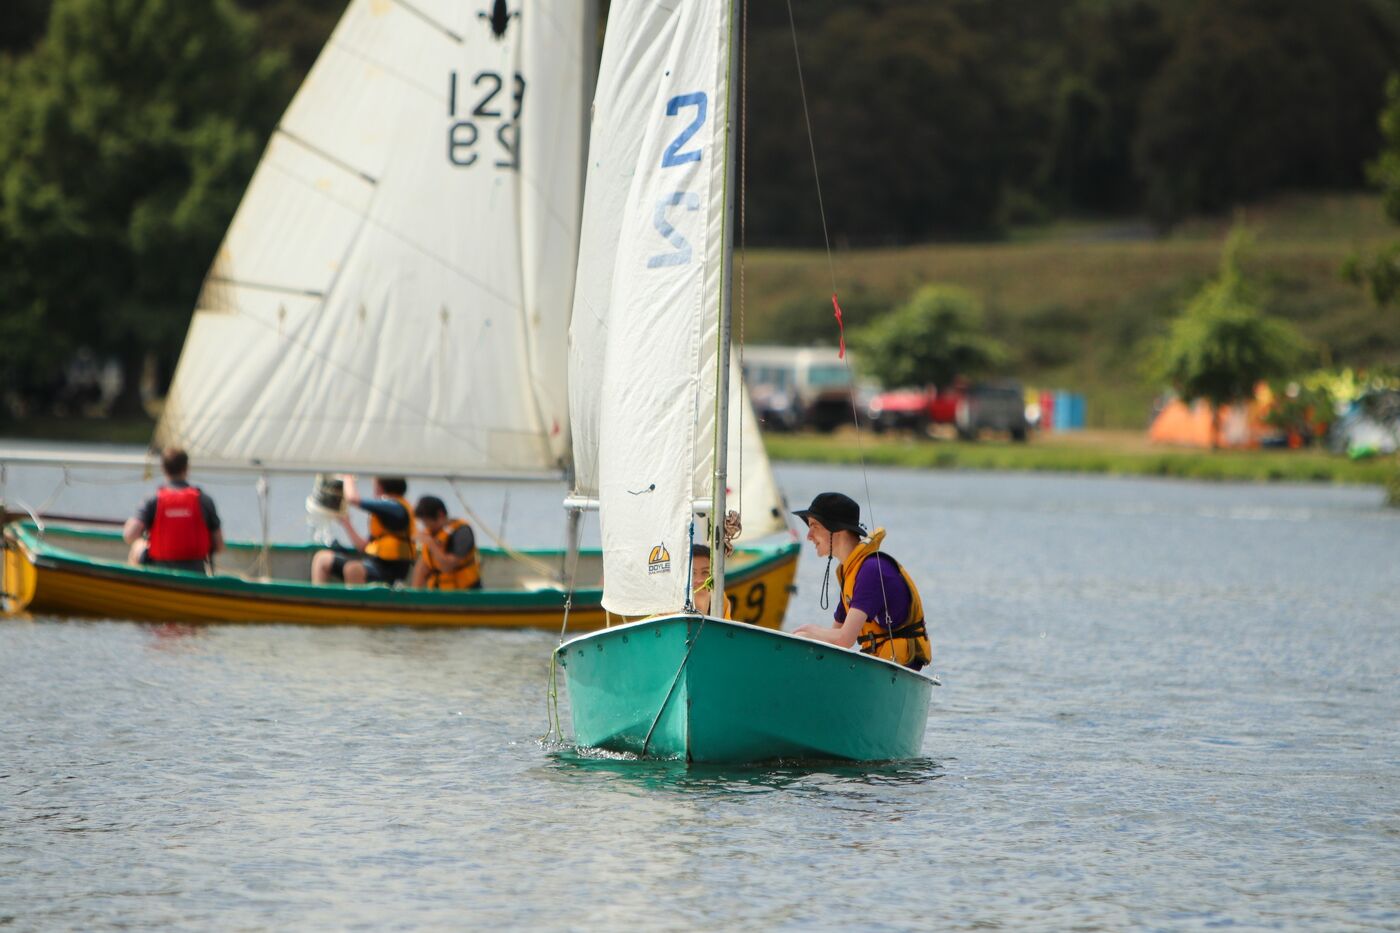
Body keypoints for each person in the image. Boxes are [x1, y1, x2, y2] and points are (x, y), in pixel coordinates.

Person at [790, 492, 931, 671]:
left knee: (803, 636)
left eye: (814, 526)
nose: (808, 535)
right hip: (880, 668)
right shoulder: (851, 573)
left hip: (897, 671)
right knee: (805, 638)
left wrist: (808, 630)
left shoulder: (871, 570)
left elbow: (844, 639)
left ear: (836, 529)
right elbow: (834, 640)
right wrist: (806, 635)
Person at [124, 447, 223, 573]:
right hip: (196, 573)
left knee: (137, 546)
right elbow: (219, 546)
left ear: (163, 468)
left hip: (159, 571)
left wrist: (139, 538)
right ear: (186, 468)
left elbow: (130, 535)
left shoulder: (153, 500)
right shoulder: (204, 500)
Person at [310, 476, 416, 585]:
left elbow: (353, 499)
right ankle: (318, 596)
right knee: (322, 559)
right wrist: (347, 524)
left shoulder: (396, 507)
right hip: (373, 564)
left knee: (353, 569)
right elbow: (363, 547)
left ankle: (355, 597)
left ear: (380, 486)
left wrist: (348, 478)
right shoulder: (384, 519)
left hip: (391, 571)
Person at [410, 496, 481, 590]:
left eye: (429, 523)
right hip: (439, 591)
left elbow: (447, 566)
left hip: (465, 592)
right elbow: (423, 566)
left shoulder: (462, 532)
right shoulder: (432, 533)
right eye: (424, 524)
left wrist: (431, 544)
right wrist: (415, 594)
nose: (427, 528)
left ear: (441, 515)